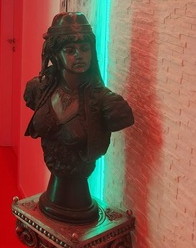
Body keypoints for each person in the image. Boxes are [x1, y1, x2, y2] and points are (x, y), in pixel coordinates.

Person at [24, 12, 134, 224]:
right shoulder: (38, 89)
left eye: (85, 49)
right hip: (53, 191)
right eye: (70, 50)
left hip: (80, 199)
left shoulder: (107, 104)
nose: (79, 55)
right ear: (56, 54)